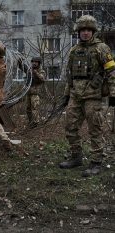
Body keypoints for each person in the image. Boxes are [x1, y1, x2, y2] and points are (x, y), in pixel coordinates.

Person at [59, 15, 115, 177]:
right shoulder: (74, 50)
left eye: (88, 30)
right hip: (76, 95)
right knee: (70, 126)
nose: (85, 33)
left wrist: (113, 94)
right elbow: (69, 75)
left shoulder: (102, 48)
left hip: (94, 96)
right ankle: (76, 157)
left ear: (93, 31)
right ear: (78, 32)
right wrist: (66, 95)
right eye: (82, 30)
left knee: (95, 129)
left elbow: (111, 72)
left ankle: (96, 162)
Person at [19, 57, 46, 127]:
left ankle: (36, 122)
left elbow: (42, 79)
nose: (34, 63)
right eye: (33, 62)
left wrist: (35, 73)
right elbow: (23, 68)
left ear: (39, 63)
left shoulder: (41, 71)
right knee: (28, 108)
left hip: (35, 93)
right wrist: (20, 62)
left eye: (36, 62)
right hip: (28, 92)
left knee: (35, 107)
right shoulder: (29, 70)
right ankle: (30, 121)